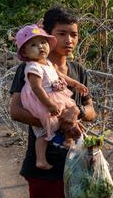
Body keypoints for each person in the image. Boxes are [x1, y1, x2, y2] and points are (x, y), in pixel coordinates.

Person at [10, 7, 97, 198]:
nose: (69, 40)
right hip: (45, 156)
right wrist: (57, 123)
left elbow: (92, 111)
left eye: (74, 34)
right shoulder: (30, 69)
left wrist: (77, 113)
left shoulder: (79, 71)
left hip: (78, 155)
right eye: (61, 33)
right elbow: (15, 110)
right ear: (47, 35)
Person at [16, 24, 89, 170]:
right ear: (25, 51)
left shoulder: (49, 63)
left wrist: (75, 84)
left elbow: (61, 76)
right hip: (42, 100)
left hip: (57, 96)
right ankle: (41, 160)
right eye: (34, 45)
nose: (41, 47)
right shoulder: (31, 67)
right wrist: (49, 104)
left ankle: (68, 140)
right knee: (44, 131)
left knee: (71, 111)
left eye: (43, 42)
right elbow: (36, 88)